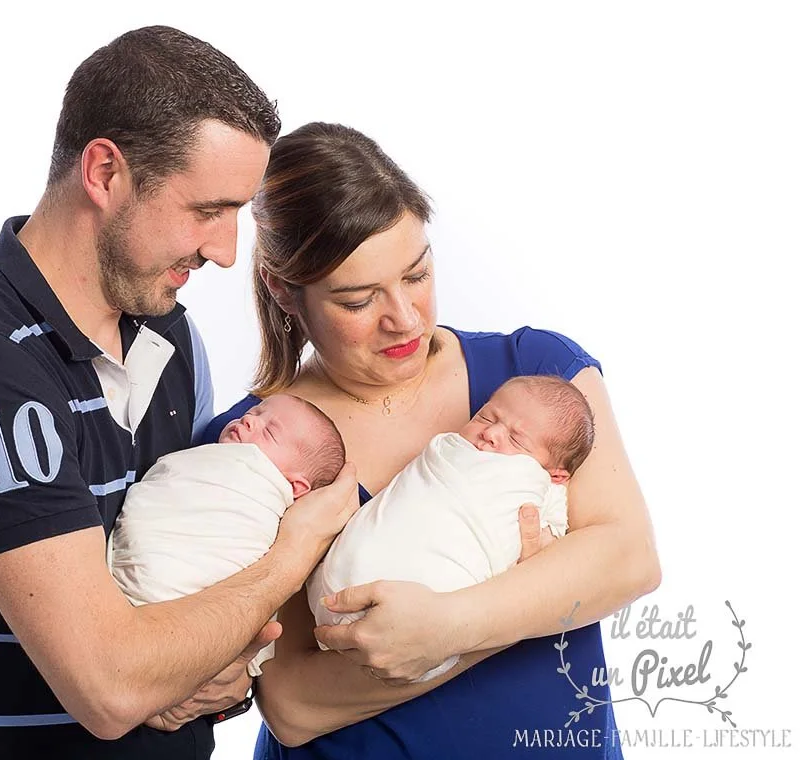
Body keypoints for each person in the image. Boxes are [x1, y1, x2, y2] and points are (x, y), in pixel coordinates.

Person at [0, 30, 360, 760]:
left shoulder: (173, 339)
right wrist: (296, 552)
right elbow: (111, 687)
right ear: (104, 172)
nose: (227, 251)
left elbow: (203, 590)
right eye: (208, 210)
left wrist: (217, 680)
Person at [204, 122, 660, 758]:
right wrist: (529, 597)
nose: (404, 318)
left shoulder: (538, 375)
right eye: (358, 300)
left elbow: (630, 560)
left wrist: (451, 626)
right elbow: (294, 704)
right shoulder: (253, 443)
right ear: (284, 291)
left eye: (416, 274)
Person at [309, 374, 593, 682]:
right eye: (486, 417)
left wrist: (540, 552)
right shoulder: (450, 449)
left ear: (556, 476)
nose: (491, 433)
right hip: (337, 578)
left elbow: (554, 552)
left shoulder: (544, 487)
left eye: (517, 440)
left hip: (427, 616)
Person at [109, 393, 346, 675]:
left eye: (269, 432)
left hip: (187, 613)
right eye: (254, 413)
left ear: (296, 488)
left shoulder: (263, 497)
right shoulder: (206, 455)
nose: (249, 420)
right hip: (129, 593)